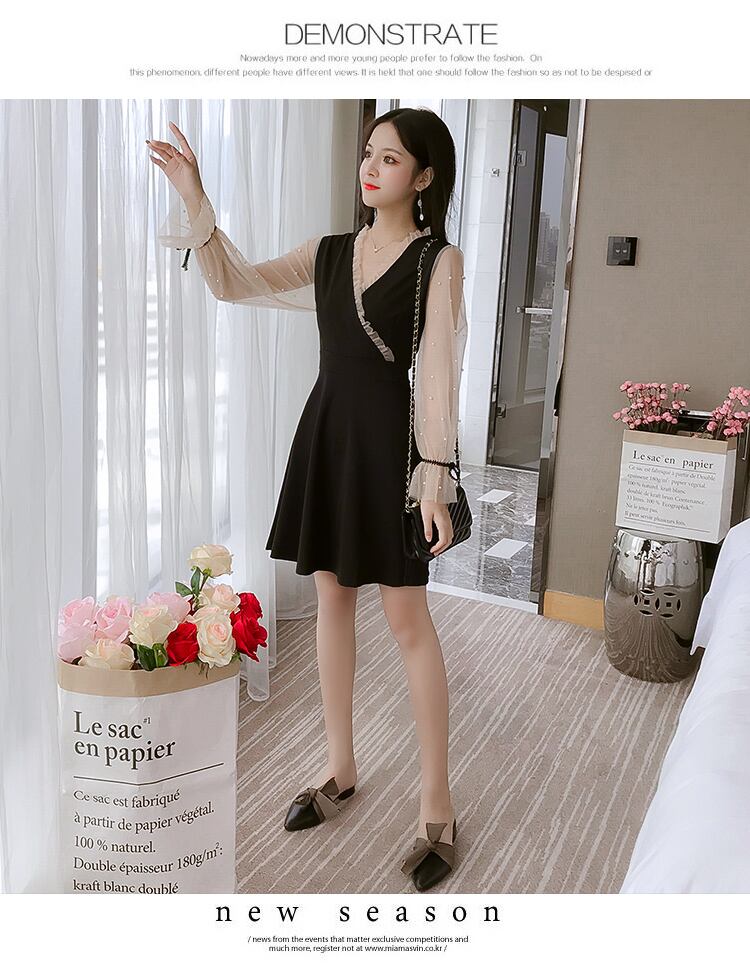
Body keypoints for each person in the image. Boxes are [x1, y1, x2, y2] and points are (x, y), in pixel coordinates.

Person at [148, 107, 469, 891]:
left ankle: (437, 801)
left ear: (424, 177)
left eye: (390, 159)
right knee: (332, 600)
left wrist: (434, 478)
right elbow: (237, 283)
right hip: (328, 438)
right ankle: (339, 766)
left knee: (407, 618)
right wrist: (195, 198)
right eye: (370, 153)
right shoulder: (328, 253)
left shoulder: (438, 261)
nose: (372, 168)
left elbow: (438, 372)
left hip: (390, 448)